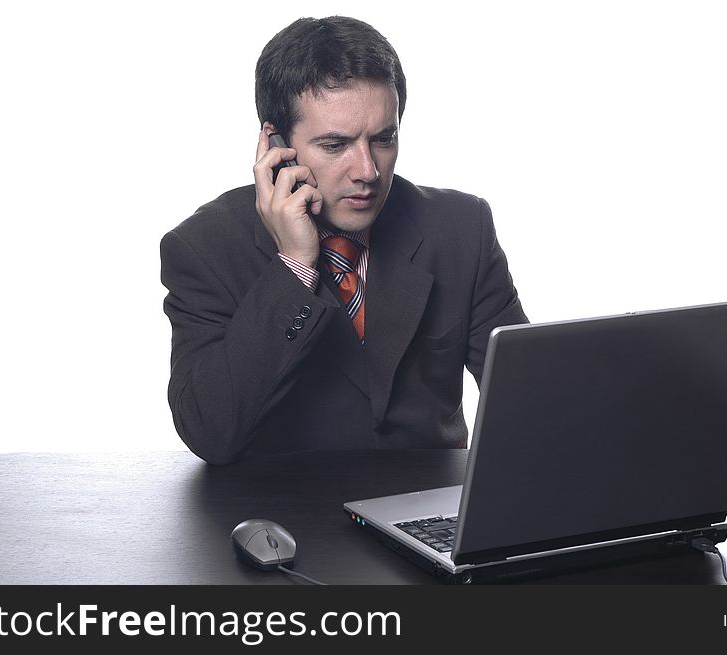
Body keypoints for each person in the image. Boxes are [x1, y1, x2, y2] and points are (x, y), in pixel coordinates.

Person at [160, 16, 528, 464]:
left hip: (425, 515)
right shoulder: (204, 247)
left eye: (383, 138)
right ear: (275, 143)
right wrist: (294, 267)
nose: (368, 171)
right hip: (279, 520)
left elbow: (530, 402)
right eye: (335, 145)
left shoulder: (461, 228)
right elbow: (209, 432)